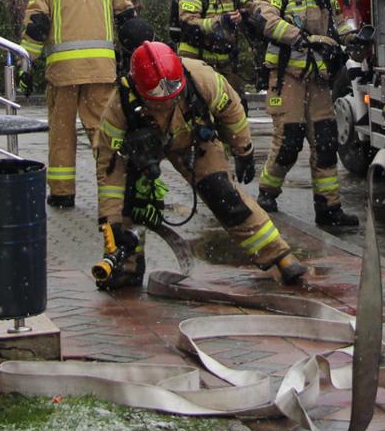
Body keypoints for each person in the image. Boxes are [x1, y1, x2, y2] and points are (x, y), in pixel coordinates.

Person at [90, 41, 307, 289]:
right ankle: (126, 266)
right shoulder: (120, 106)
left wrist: (243, 149)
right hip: (142, 152)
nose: (165, 103)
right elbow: (109, 168)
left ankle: (280, 256)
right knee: (132, 203)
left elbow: (232, 112)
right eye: (157, 100)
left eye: (171, 96)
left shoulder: (202, 78)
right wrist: (111, 221)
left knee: (224, 195)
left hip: (194, 141)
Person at [249, 0, 359, 227]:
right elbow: (264, 17)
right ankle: (267, 192)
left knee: (325, 142)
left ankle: (329, 208)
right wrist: (300, 38)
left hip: (319, 78)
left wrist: (355, 37)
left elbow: (338, 23)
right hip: (288, 77)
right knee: (289, 139)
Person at [21, 0, 137, 208]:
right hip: (101, 71)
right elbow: (129, 21)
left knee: (61, 134)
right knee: (102, 131)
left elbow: (36, 29)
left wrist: (26, 65)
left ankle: (62, 193)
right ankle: (111, 189)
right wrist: (132, 59)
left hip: (63, 75)